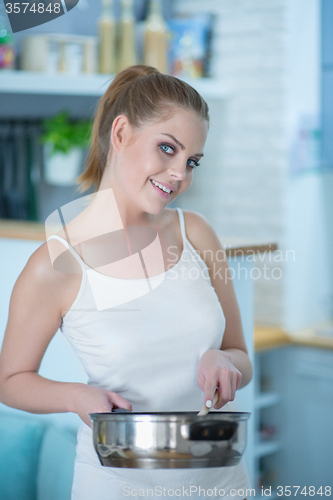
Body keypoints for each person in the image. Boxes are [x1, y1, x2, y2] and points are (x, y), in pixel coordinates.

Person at [0, 65, 253, 499]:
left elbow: (241, 357)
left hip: (220, 482)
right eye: (167, 149)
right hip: (118, 485)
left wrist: (224, 361)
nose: (180, 174)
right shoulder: (57, 264)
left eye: (191, 161)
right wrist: (77, 396)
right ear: (120, 134)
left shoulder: (196, 233)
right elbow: (10, 380)